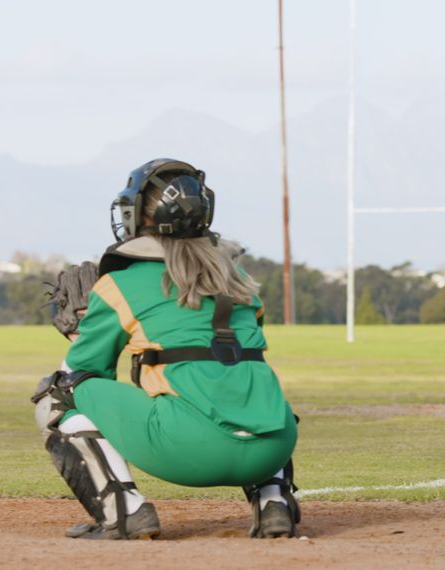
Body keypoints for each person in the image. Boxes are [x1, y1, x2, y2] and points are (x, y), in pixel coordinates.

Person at [32, 158, 300, 540]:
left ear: (139, 217)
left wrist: (82, 334)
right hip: (273, 447)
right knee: (250, 387)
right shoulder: (241, 282)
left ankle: (125, 513)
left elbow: (81, 376)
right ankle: (273, 501)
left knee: (56, 394)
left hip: (192, 453)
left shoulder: (118, 285)